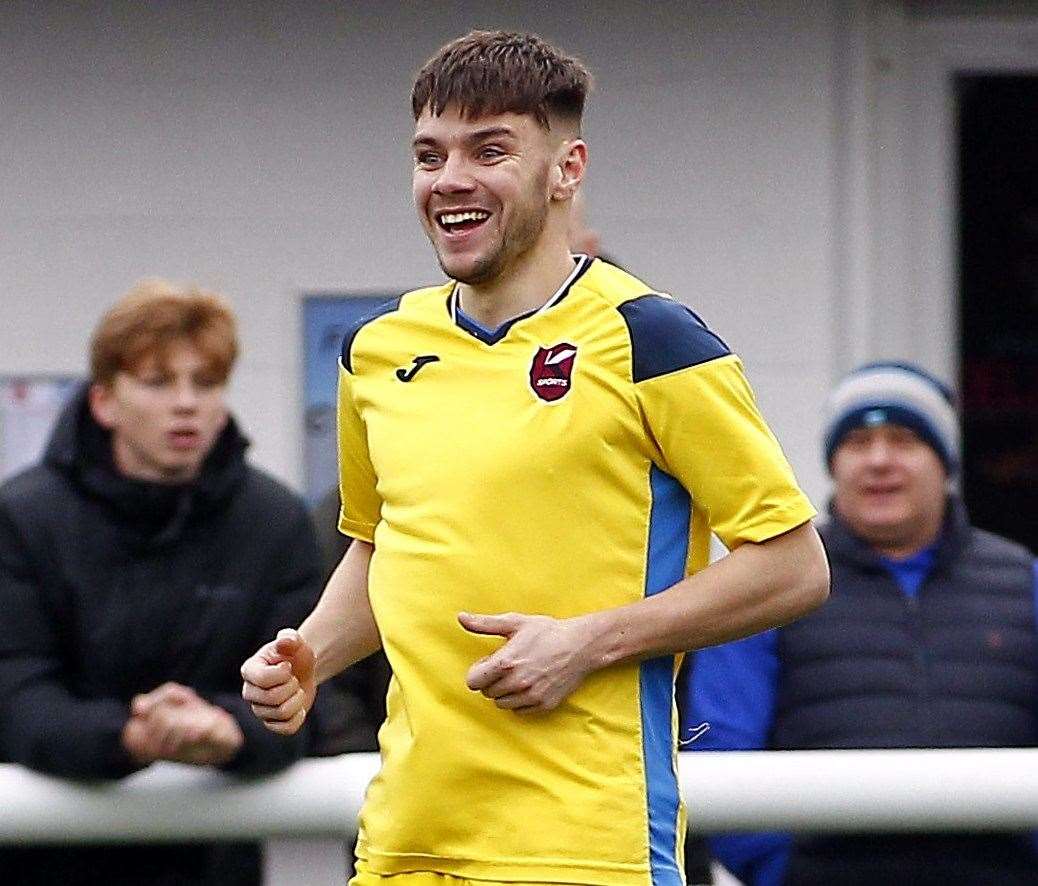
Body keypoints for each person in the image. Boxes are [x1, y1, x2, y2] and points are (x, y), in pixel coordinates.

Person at [242, 30, 829, 886]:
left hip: (587, 848)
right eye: (429, 154)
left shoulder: (652, 338)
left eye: (490, 150)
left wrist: (587, 643)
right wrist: (311, 655)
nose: (451, 181)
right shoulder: (376, 350)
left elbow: (794, 566)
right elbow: (384, 549)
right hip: (405, 844)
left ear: (567, 168)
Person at [0, 280, 323, 886]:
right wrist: (133, 735)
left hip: (212, 864)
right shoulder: (21, 519)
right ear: (104, 401)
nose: (186, 404)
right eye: (157, 383)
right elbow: (16, 695)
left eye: (205, 384)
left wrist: (228, 729)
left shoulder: (275, 522)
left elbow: (308, 695)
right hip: (43, 865)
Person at [682, 361, 1038, 886]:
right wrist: (786, 871)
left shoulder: (1024, 580)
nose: (878, 461)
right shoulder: (769, 586)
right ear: (833, 463)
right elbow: (719, 744)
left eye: (904, 439)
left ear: (945, 463)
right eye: (856, 441)